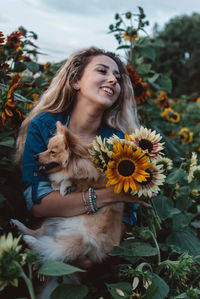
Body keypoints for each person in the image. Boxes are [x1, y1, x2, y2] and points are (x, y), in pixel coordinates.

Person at [15, 47, 146, 269]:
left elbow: (125, 219)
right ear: (76, 81)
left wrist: (94, 256)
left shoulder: (120, 144)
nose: (113, 79)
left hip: (90, 254)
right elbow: (39, 204)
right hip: (40, 245)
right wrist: (110, 195)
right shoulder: (44, 125)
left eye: (117, 76)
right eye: (102, 71)